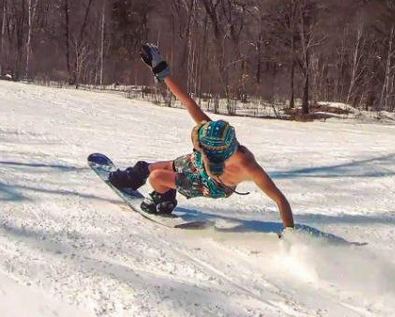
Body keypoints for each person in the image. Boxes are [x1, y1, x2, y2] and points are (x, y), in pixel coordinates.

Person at [109, 43, 295, 231]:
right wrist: (161, 69)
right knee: (152, 168)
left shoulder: (247, 166)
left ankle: (163, 199)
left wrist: (290, 235)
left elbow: (279, 199)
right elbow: (188, 103)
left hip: (211, 184)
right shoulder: (216, 136)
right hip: (199, 164)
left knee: (157, 177)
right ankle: (135, 177)